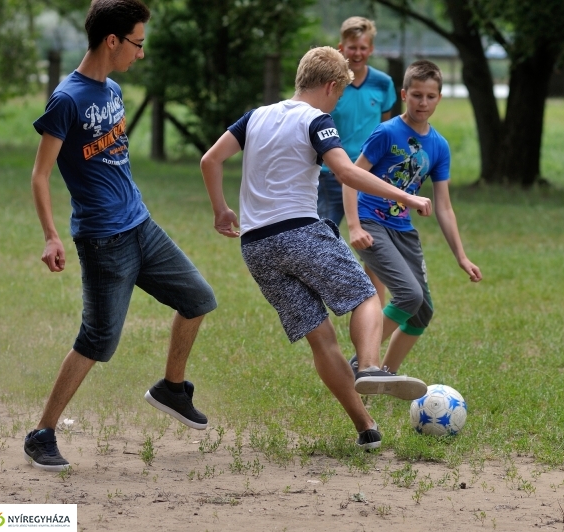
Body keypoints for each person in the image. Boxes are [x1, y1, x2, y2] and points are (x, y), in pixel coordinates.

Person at [200, 46, 430, 450]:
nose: (337, 103)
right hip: (300, 231)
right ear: (330, 86)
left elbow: (210, 160)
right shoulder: (316, 120)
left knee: (320, 337)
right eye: (339, 94)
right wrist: (406, 196)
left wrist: (221, 210)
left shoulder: (255, 117)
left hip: (256, 246)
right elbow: (346, 172)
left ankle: (365, 428)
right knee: (366, 296)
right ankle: (370, 367)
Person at [25, 0, 217, 472]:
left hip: (141, 226)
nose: (141, 53)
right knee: (98, 341)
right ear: (112, 41)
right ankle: (42, 433)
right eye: (137, 43)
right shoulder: (67, 100)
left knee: (198, 299)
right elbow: (40, 175)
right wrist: (51, 236)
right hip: (103, 239)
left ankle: (172, 389)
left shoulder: (112, 90)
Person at [342, 60, 482, 376]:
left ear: (439, 98)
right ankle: (363, 362)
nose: (423, 103)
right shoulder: (387, 132)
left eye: (430, 96)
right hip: (372, 223)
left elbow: (444, 206)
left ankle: (385, 377)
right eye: (417, 95)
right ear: (404, 94)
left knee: (422, 311)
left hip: (403, 230)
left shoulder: (439, 146)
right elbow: (350, 177)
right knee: (409, 295)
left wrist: (461, 257)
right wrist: (354, 226)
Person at [316, 16, 396, 227]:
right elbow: (317, 130)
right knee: (323, 233)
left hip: (368, 175)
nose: (357, 53)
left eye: (363, 48)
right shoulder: (330, 84)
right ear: (341, 48)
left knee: (374, 237)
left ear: (371, 49)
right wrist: (338, 168)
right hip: (331, 175)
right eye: (352, 48)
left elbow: (386, 131)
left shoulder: (383, 83)